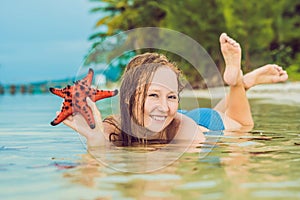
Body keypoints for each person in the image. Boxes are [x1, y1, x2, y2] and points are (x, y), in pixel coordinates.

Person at [63, 33, 288, 147]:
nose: (163, 105)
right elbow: (90, 179)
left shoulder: (188, 131)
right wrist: (95, 142)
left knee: (243, 126)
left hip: (203, 123)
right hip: (176, 119)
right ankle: (245, 82)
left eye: (172, 96)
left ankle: (236, 81)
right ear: (129, 99)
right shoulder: (112, 126)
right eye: (153, 95)